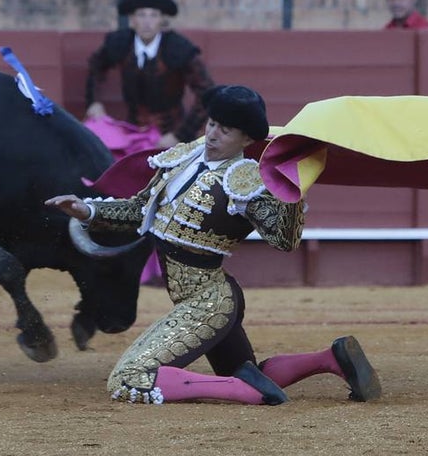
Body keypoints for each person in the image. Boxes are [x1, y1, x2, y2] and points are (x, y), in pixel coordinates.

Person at [46, 84, 382, 406]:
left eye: (225, 130)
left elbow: (285, 240)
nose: (211, 134)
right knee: (243, 370)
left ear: (247, 139)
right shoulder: (183, 158)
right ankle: (331, 359)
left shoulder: (246, 180)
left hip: (209, 303)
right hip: (202, 299)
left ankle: (252, 393)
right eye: (211, 123)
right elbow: (139, 210)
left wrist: (291, 194)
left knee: (130, 378)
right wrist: (87, 209)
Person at [85, 0, 214, 150]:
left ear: (162, 20)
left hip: (171, 133)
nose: (147, 22)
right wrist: (94, 101)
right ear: (132, 19)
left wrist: (180, 134)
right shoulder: (121, 43)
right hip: (133, 132)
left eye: (153, 15)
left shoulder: (178, 48)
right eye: (141, 15)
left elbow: (206, 92)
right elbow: (96, 66)